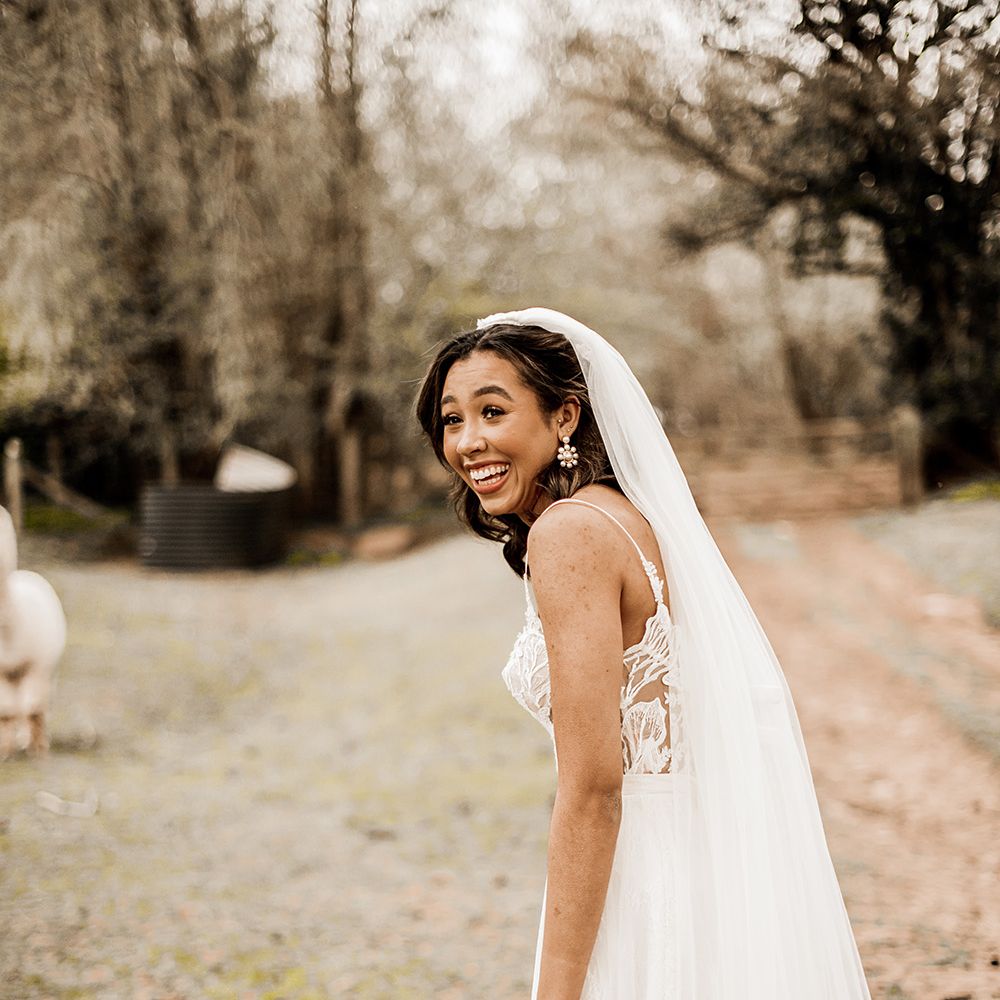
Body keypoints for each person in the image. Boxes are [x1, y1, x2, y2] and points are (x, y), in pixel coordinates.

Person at [416, 308, 872, 1000]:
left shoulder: (569, 534)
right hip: (704, 858)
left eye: (493, 411)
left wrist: (557, 992)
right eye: (453, 420)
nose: (469, 442)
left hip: (645, 884)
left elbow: (596, 790)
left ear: (565, 417)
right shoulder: (628, 516)